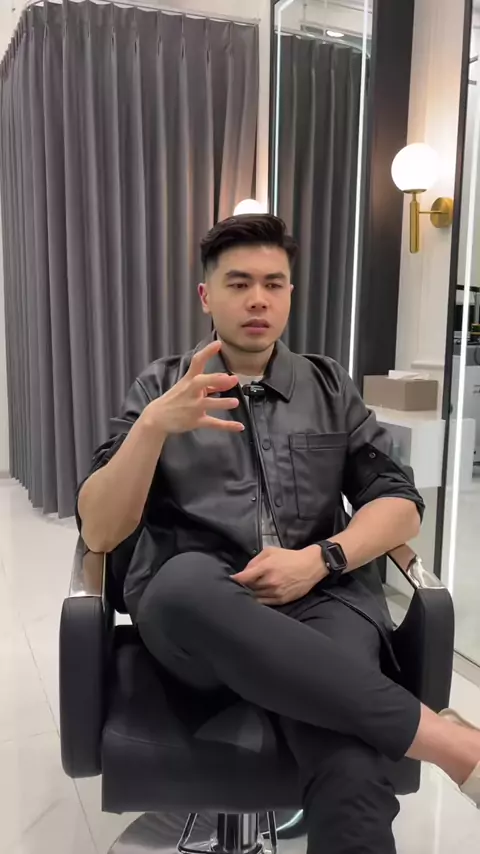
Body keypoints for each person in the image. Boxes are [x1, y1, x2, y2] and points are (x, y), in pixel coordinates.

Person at [77, 214, 480, 854]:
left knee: (351, 762)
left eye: (273, 284)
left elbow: (400, 504)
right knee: (180, 585)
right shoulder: (160, 387)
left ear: (291, 294)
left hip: (322, 600)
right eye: (239, 284)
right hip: (203, 617)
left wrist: (322, 558)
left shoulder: (328, 385)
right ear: (207, 296)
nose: (258, 300)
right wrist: (152, 428)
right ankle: (454, 744)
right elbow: (100, 529)